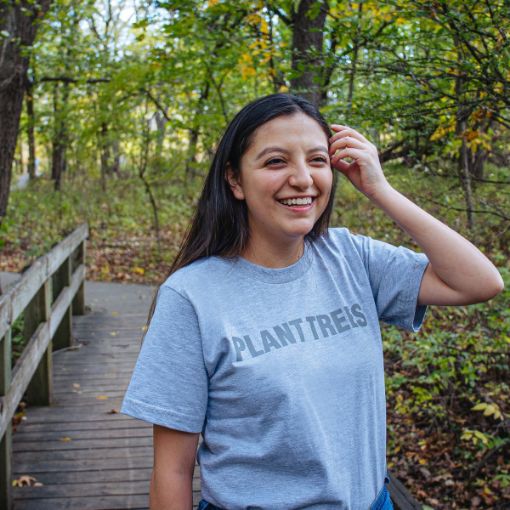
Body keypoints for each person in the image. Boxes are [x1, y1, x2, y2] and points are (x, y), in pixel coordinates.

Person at [120, 94, 503, 510]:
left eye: (317, 160)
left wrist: (381, 190)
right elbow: (172, 470)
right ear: (234, 180)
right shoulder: (191, 296)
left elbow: (479, 282)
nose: (303, 179)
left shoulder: (351, 257)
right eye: (275, 162)